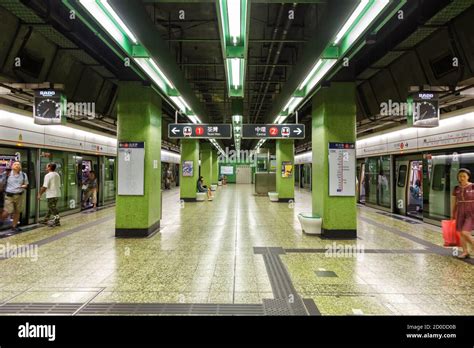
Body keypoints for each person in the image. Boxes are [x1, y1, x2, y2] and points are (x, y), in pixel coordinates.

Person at [451, 168, 474, 259]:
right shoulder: (456, 188)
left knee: (465, 232)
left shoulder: (472, 186)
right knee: (461, 232)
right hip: (460, 211)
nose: (462, 178)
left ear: (468, 177)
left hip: (471, 211)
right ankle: (465, 252)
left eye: (464, 176)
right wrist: (452, 213)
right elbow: (454, 202)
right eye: (460, 176)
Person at [2, 162, 28, 232]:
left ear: (20, 166)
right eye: (15, 164)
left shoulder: (23, 174)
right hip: (9, 196)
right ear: (12, 166)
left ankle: (14, 226)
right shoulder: (7, 174)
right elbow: (1, 183)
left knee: (17, 211)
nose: (17, 165)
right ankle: (1, 221)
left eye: (18, 164)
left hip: (19, 195)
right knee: (7, 211)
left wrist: (24, 186)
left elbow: (26, 184)